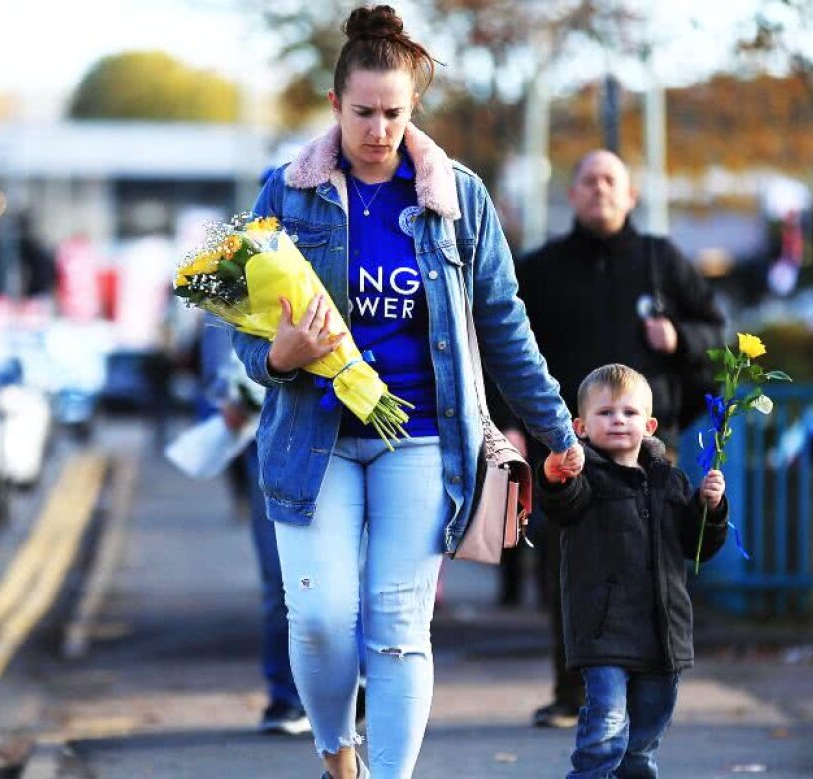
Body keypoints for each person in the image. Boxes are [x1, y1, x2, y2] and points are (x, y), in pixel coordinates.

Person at [230, 6, 583, 778]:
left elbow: (502, 320)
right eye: (364, 112)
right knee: (321, 621)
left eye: (394, 112)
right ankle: (335, 744)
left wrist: (558, 428)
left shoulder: (456, 199)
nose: (379, 129)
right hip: (311, 438)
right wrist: (281, 355)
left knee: (396, 628)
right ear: (335, 106)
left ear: (413, 108)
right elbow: (244, 338)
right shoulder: (285, 196)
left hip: (421, 438)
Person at [500, 149, 730, 727]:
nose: (599, 189)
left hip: (653, 449)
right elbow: (503, 348)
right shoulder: (543, 268)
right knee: (568, 565)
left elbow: (718, 333)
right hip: (567, 444)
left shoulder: (662, 262)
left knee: (650, 564)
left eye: (611, 181)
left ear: (630, 196)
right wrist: (510, 425)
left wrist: (678, 337)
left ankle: (644, 688)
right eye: (588, 180)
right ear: (572, 195)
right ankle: (571, 692)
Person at [537, 364, 730, 779]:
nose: (618, 420)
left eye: (629, 412)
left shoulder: (671, 481)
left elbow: (699, 547)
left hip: (663, 632)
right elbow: (562, 504)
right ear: (582, 426)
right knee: (606, 728)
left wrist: (709, 509)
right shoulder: (583, 474)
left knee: (646, 732)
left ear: (650, 424)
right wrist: (555, 477)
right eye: (605, 413)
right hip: (603, 630)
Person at [200, 322, 310, 736]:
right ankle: (288, 697)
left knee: (358, 572)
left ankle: (358, 680)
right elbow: (216, 361)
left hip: (338, 433)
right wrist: (233, 396)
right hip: (267, 441)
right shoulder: (236, 262)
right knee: (282, 579)